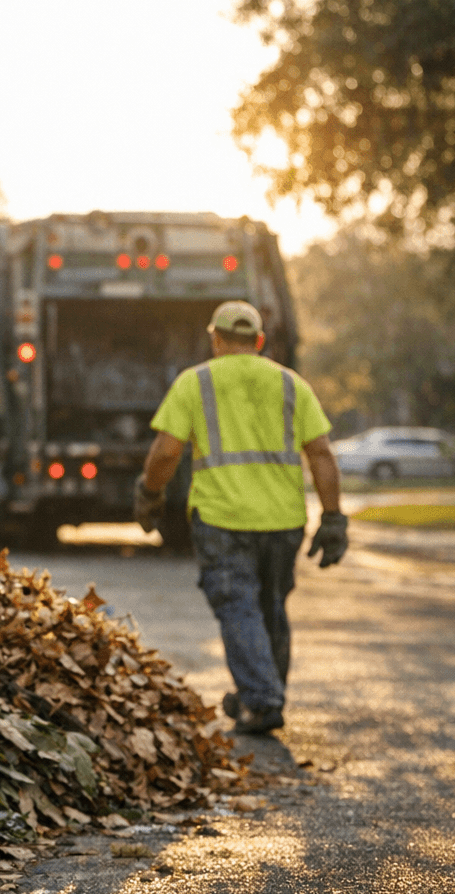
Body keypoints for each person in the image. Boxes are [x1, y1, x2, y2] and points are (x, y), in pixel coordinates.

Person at [133, 300, 347, 735]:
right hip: (284, 520)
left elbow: (167, 452)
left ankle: (262, 699)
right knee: (270, 608)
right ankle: (259, 695)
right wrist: (332, 518)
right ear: (260, 341)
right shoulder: (291, 384)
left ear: (215, 340)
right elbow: (321, 454)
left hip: (222, 519)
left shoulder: (196, 382)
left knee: (238, 606)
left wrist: (150, 494)